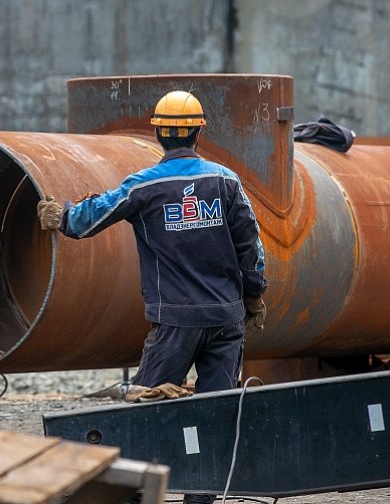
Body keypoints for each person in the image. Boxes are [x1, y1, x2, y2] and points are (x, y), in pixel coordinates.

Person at [36, 90, 267, 502]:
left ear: (158, 133)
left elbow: (93, 217)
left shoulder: (144, 185)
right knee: (217, 414)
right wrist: (253, 296)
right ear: (199, 131)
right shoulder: (225, 181)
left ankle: (137, 496)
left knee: (146, 411)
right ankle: (202, 498)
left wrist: (62, 217)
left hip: (176, 322)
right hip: (226, 319)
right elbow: (251, 246)